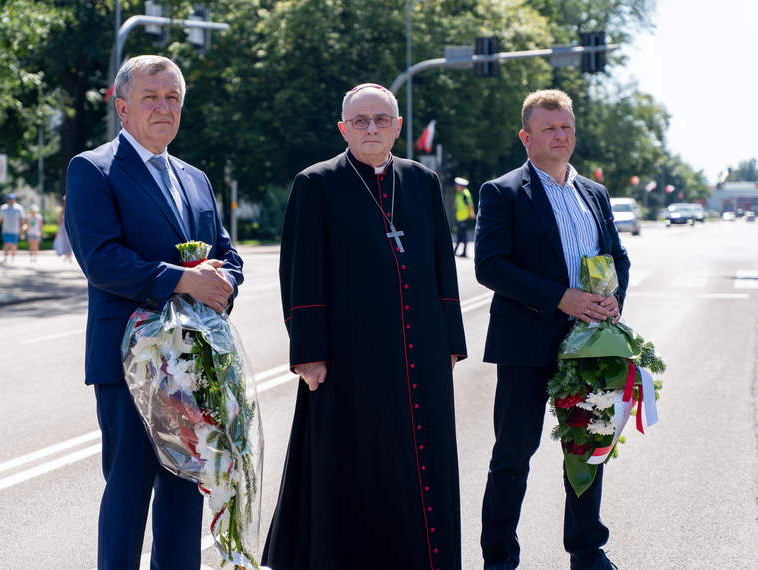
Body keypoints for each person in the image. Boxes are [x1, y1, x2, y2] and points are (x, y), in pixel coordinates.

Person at [262, 83, 468, 570]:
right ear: (343, 128)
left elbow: (443, 264)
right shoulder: (315, 183)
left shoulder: (421, 180)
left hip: (423, 353)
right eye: (360, 121)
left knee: (423, 463)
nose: (371, 128)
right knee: (353, 467)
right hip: (350, 358)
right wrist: (309, 352)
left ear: (398, 126)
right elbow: (300, 273)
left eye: (381, 119)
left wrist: (452, 341)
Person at [64, 55, 244, 570]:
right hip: (128, 363)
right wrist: (186, 279)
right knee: (128, 493)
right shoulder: (93, 169)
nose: (164, 107)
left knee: (185, 492)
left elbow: (227, 257)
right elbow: (102, 261)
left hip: (194, 367)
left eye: (172, 98)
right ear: (122, 108)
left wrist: (223, 281)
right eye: (150, 97)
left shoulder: (196, 178)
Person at [473, 89, 629, 570]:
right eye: (549, 128)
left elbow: (618, 257)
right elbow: (490, 266)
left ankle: (587, 550)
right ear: (526, 137)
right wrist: (561, 298)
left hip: (590, 345)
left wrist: (612, 299)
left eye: (566, 127)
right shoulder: (502, 192)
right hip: (525, 343)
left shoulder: (594, 193)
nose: (560, 136)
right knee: (513, 456)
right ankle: (499, 557)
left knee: (587, 450)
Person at [0, 193, 25, 262]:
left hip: (15, 230)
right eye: (9, 199)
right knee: (6, 243)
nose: (11, 201)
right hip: (5, 229)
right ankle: (5, 256)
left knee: (13, 244)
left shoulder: (19, 208)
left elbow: (22, 219)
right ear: (7, 200)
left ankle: (13, 257)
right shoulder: (3, 208)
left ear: (14, 200)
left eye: (12, 199)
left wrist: (22, 227)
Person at [453, 176, 475, 257]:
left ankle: (464, 252)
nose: (456, 187)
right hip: (460, 218)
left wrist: (471, 214)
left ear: (461, 186)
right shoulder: (461, 193)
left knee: (463, 235)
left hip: (464, 218)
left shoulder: (464, 193)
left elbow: (469, 205)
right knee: (460, 234)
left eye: (457, 185)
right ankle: (456, 251)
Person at [52, 195, 72, 262]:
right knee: (64, 242)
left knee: (70, 242)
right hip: (63, 228)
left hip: (70, 228)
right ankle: (66, 254)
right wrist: (58, 231)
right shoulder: (61, 211)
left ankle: (70, 255)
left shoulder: (71, 210)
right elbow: (59, 221)